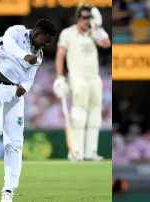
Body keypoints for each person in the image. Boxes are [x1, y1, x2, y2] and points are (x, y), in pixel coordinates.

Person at [0, 19, 57, 202]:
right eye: (45, 41)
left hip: (15, 97)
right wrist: (25, 57)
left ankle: (8, 192)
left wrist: (25, 87)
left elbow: (29, 78)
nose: (45, 45)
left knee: (15, 145)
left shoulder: (38, 55)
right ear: (36, 33)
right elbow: (7, 44)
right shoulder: (17, 32)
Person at [53, 3, 111, 161]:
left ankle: (91, 152)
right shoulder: (68, 33)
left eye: (89, 17)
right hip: (77, 77)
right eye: (85, 17)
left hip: (94, 77)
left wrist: (97, 26)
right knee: (78, 114)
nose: (87, 21)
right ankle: (75, 151)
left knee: (94, 115)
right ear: (78, 18)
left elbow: (107, 43)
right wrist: (60, 77)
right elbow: (60, 57)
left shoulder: (93, 32)